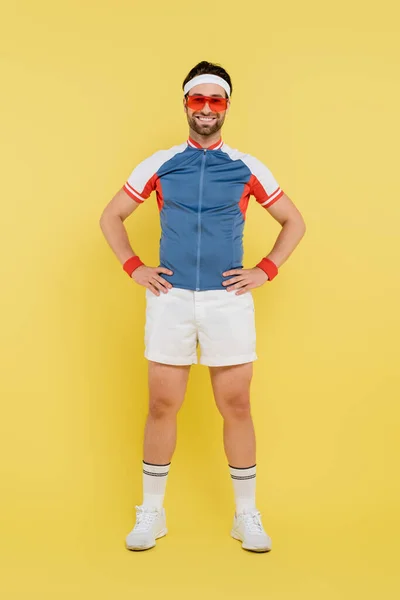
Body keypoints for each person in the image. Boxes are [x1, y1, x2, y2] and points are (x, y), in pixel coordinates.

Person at [99, 60, 306, 553]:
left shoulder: (247, 166)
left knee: (236, 404)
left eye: (216, 101)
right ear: (186, 105)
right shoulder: (160, 163)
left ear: (227, 107)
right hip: (169, 298)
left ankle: (246, 516)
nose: (207, 109)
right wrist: (134, 267)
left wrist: (265, 269)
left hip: (226, 301)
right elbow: (112, 216)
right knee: (161, 404)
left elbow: (293, 222)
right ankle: (152, 512)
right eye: (198, 100)